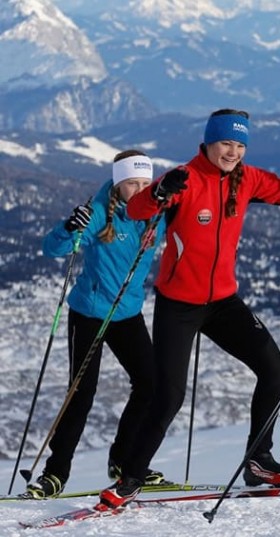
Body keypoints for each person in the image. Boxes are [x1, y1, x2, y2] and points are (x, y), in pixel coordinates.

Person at [97, 109, 280, 508]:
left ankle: (259, 460)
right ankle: (131, 477)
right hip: (179, 305)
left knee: (272, 368)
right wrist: (159, 193)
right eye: (226, 143)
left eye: (240, 145)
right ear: (208, 142)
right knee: (168, 396)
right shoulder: (185, 178)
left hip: (223, 301)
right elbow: (137, 210)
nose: (233, 152)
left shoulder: (248, 179)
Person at [24, 151, 168, 499]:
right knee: (81, 392)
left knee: (151, 385)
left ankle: (123, 460)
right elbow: (52, 248)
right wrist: (68, 227)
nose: (140, 188)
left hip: (127, 313)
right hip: (90, 312)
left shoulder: (156, 211)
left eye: (145, 182)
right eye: (132, 182)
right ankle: (55, 473)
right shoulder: (101, 211)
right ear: (119, 181)